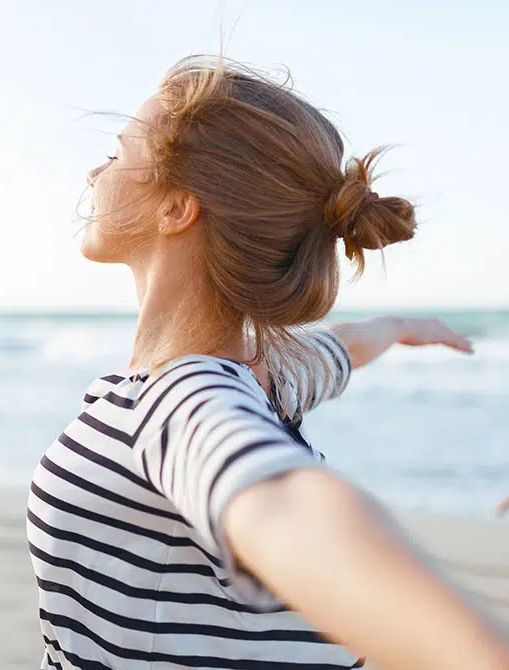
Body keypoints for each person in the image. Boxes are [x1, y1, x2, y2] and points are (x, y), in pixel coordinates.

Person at [27, 56, 509, 669]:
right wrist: (398, 328)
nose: (95, 172)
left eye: (117, 153)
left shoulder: (182, 398)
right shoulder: (261, 375)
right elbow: (339, 348)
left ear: (176, 209)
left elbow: (285, 507)